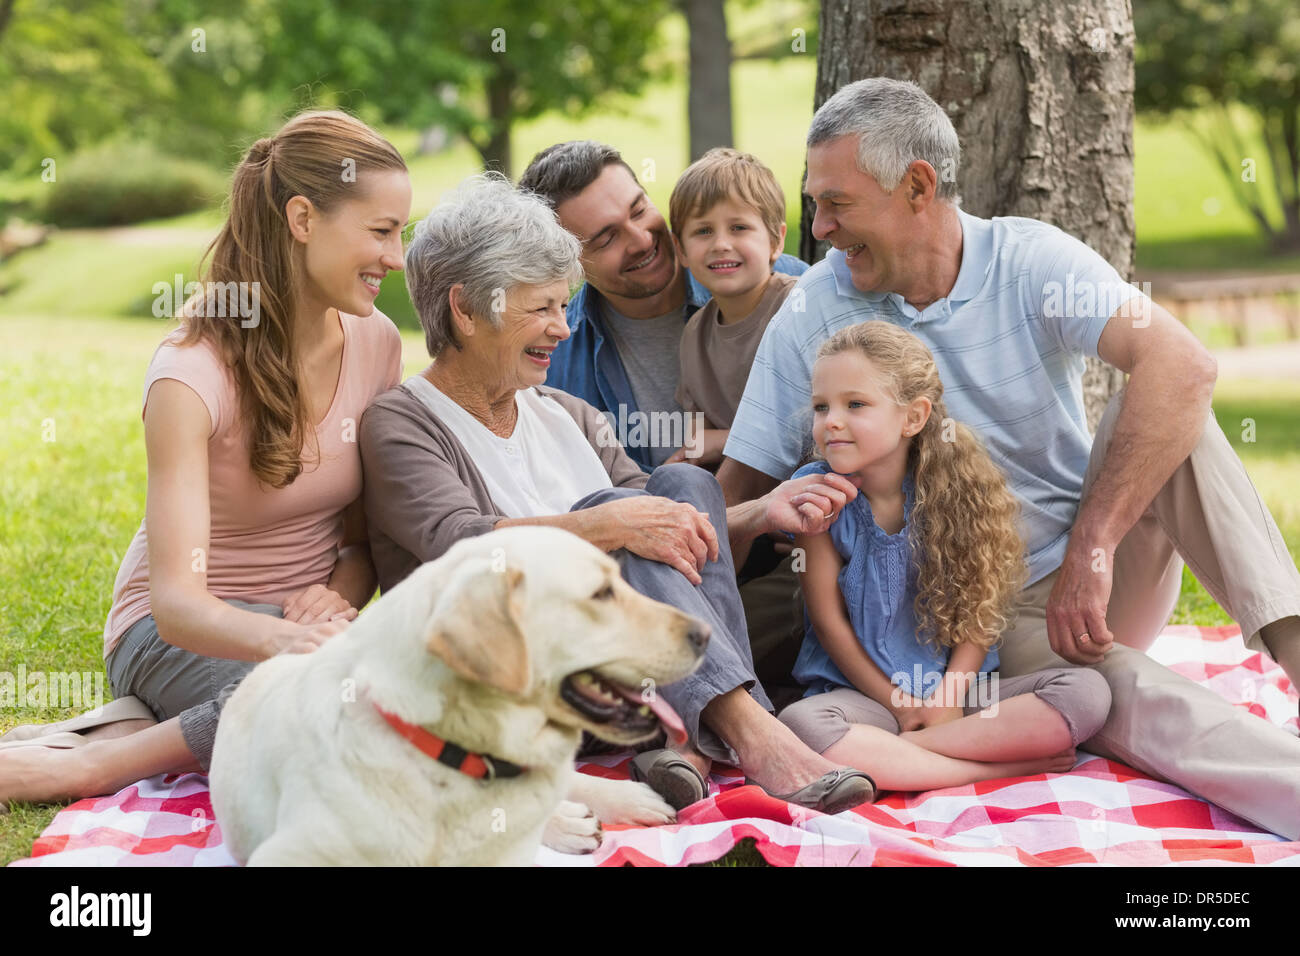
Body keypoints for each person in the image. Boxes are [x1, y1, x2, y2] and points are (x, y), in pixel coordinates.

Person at [716, 77, 1300, 838]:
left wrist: (1093, 549)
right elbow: (735, 496)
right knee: (1137, 699)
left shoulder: (1031, 259)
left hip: (1094, 578)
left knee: (1172, 399)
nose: (818, 228)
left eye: (837, 203)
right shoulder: (814, 311)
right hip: (991, 625)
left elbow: (1185, 366)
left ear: (918, 186)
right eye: (814, 203)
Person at [359, 172, 887, 814]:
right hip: (499, 685)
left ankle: (687, 745)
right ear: (466, 309)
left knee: (684, 484)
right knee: (621, 510)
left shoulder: (564, 411)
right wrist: (607, 527)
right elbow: (460, 542)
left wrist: (753, 514)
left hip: (610, 685)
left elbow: (666, 522)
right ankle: (750, 732)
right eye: (541, 307)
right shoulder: (403, 421)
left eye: (563, 304)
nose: (561, 327)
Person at [0, 111, 411, 807]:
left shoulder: (378, 344)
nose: (396, 257)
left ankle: (121, 735)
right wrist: (292, 642)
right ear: (303, 218)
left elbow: (360, 541)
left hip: (304, 630)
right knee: (335, 717)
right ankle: (88, 768)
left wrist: (333, 600)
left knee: (388, 706)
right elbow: (178, 605)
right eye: (380, 231)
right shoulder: (190, 374)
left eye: (400, 231)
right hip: (172, 635)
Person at [777, 322, 1112, 790]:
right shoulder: (821, 496)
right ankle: (989, 768)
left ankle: (901, 760)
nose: (831, 420)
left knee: (1085, 693)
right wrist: (898, 704)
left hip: (958, 697)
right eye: (821, 406)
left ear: (913, 418)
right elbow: (829, 625)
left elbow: (980, 608)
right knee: (802, 727)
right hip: (865, 700)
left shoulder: (958, 489)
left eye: (855, 404)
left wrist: (948, 699)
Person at [516, 140, 808, 470]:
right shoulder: (553, 365)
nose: (641, 240)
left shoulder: (787, 287)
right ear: (569, 267)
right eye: (607, 239)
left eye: (639, 210)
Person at [665, 147, 799, 469]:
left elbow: (820, 426)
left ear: (776, 240)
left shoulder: (797, 310)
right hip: (736, 484)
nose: (721, 244)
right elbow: (699, 441)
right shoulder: (695, 334)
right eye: (703, 231)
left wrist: (724, 441)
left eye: (739, 228)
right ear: (680, 249)